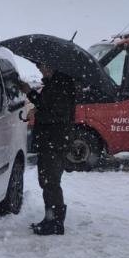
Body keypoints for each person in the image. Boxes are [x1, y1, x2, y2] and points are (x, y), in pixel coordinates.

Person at [19, 65, 76, 235]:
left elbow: (59, 115)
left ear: (50, 65)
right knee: (46, 181)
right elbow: (46, 105)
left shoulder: (62, 85)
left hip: (55, 142)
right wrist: (30, 92)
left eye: (41, 66)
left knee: (51, 182)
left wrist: (36, 114)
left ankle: (55, 222)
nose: (39, 70)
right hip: (50, 141)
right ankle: (50, 219)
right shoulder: (54, 83)